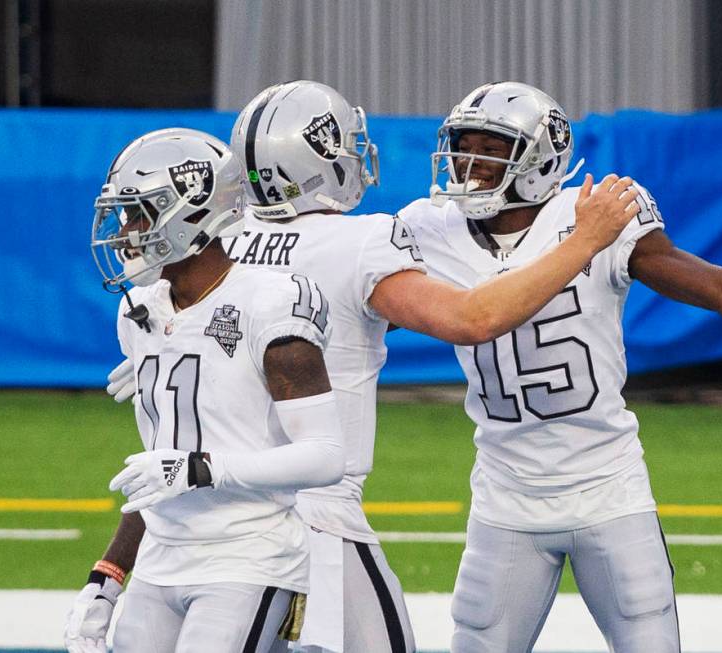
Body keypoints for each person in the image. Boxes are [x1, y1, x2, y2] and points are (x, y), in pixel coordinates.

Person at [72, 81, 641, 653]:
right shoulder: (362, 242)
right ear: (317, 160)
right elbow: (475, 318)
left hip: (204, 524)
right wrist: (584, 241)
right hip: (311, 518)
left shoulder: (208, 254)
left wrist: (109, 572)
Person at [397, 81, 722, 653]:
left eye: (490, 149)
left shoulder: (595, 211)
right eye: (463, 146)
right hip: (505, 493)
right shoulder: (427, 228)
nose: (468, 164)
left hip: (608, 489)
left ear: (539, 160)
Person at [66, 128, 346, 653]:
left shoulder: (271, 302)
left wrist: (200, 468)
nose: (124, 232)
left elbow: (326, 456)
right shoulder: (140, 312)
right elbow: (159, 471)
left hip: (249, 555)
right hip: (161, 560)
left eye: (139, 214)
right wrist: (106, 579)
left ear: (191, 212)